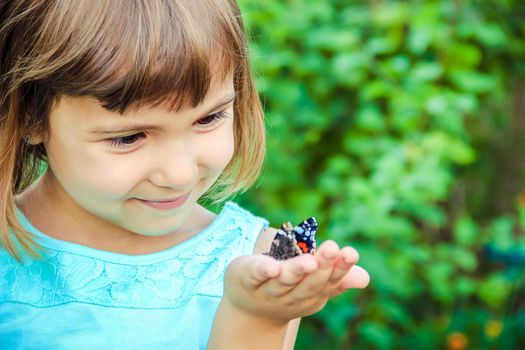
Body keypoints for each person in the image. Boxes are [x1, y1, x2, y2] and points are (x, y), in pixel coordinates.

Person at [0, 0, 370, 349]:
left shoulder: (261, 264)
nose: (179, 174)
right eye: (129, 137)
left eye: (208, 118)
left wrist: (257, 316)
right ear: (31, 115)